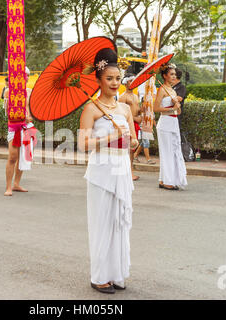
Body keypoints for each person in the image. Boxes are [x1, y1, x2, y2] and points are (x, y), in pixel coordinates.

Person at [78, 48, 138, 294]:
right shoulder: (91, 109)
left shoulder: (124, 109)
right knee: (102, 223)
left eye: (118, 78)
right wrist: (110, 137)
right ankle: (100, 276)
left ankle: (116, 273)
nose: (115, 83)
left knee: (119, 223)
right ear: (99, 80)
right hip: (101, 170)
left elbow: (133, 141)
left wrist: (131, 141)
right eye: (109, 79)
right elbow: (83, 144)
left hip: (122, 167)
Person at [153, 64, 187, 190]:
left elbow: (177, 112)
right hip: (165, 124)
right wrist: (171, 108)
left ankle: (163, 179)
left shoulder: (173, 91)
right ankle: (167, 181)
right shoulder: (161, 90)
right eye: (171, 74)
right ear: (164, 76)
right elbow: (155, 108)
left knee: (174, 151)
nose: (174, 76)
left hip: (174, 123)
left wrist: (177, 107)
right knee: (166, 152)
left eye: (174, 74)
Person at [3, 67, 33, 196]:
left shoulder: (30, 91)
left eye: (26, 75)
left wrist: (29, 118)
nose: (25, 77)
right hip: (14, 126)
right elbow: (7, 111)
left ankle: (16, 184)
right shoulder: (8, 91)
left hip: (27, 126)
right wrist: (18, 115)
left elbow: (32, 112)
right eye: (22, 75)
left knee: (23, 157)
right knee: (13, 156)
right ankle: (8, 186)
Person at [118, 74, 141, 181]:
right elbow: (121, 113)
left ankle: (130, 171)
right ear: (126, 83)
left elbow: (137, 109)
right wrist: (134, 119)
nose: (133, 83)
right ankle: (127, 172)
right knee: (127, 149)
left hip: (135, 124)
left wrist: (143, 110)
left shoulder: (136, 96)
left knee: (132, 149)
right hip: (128, 125)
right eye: (131, 81)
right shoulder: (123, 97)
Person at [172, 68, 187, 132]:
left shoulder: (181, 87)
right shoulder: (171, 87)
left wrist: (170, 98)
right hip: (170, 112)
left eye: (173, 74)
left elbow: (180, 98)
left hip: (177, 112)